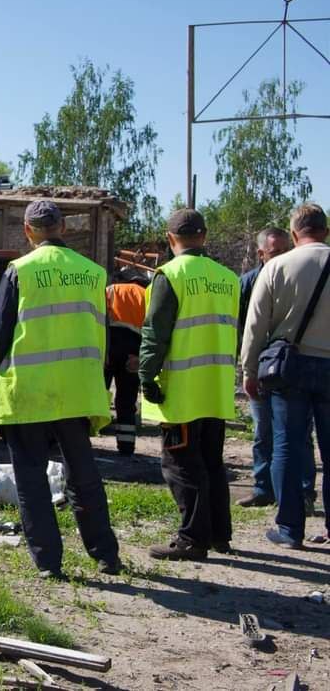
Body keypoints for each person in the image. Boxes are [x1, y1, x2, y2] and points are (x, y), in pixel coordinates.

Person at [0, 199, 121, 579]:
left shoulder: (19, 271)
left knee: (32, 480)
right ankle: (106, 554)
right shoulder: (93, 273)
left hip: (29, 393)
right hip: (77, 391)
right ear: (63, 229)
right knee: (84, 476)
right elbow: (101, 331)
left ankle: (48, 563)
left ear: (27, 232)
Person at [140, 209, 238, 561]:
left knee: (180, 462)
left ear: (170, 239)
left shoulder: (169, 275)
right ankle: (218, 535)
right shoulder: (228, 278)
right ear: (205, 236)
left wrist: (146, 376)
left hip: (181, 388)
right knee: (212, 460)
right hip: (216, 384)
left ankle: (192, 539)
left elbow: (155, 332)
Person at [241, 203, 330, 548]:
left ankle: (290, 529)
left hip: (288, 369)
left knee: (287, 447)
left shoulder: (276, 267)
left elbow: (256, 325)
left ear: (294, 234)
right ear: (325, 230)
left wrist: (249, 370)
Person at [236, 228, 318, 510]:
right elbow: (245, 327)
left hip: (292, 366)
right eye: (276, 251)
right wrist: (246, 366)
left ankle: (305, 492)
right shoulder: (247, 283)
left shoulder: (295, 273)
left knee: (298, 435)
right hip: (262, 368)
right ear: (261, 254)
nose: (283, 255)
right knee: (263, 431)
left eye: (286, 249)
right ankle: (263, 488)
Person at [104, 270, 147, 455]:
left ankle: (87, 437)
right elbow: (151, 330)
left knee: (98, 394)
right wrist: (140, 357)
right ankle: (126, 446)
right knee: (127, 400)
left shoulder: (109, 290)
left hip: (109, 346)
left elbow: (100, 320)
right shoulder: (146, 295)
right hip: (132, 351)